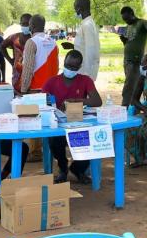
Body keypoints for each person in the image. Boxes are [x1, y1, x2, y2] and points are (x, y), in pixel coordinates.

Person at [42, 50, 102, 184]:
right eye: (68, 66)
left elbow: (97, 101)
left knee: (92, 140)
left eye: (74, 67)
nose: (70, 69)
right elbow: (41, 101)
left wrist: (76, 100)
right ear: (64, 63)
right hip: (58, 125)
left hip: (78, 123)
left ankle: (77, 169)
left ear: (79, 67)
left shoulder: (85, 80)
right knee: (54, 141)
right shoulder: (52, 81)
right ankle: (63, 168)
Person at [119, 6, 147, 105]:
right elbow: (132, 42)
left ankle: (125, 108)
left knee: (129, 87)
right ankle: (133, 109)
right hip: (127, 61)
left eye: (127, 18)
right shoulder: (129, 26)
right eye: (124, 20)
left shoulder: (142, 23)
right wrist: (125, 42)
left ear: (132, 14)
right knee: (132, 86)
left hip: (135, 62)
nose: (126, 21)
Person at [61, 0, 101, 80]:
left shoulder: (87, 25)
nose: (75, 11)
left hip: (85, 70)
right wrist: (73, 46)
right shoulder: (88, 23)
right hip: (83, 68)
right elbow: (85, 45)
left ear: (79, 9)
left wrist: (86, 75)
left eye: (75, 9)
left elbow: (90, 50)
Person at [18, 14, 59, 93]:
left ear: (32, 26)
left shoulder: (32, 42)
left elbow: (28, 68)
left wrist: (23, 90)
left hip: (36, 89)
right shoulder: (53, 42)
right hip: (52, 88)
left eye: (29, 24)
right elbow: (56, 65)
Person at [2, 13, 33, 86]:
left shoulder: (34, 39)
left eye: (28, 24)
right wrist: (10, 60)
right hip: (17, 73)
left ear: (32, 24)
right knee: (17, 95)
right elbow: (2, 46)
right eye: (23, 24)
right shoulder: (14, 37)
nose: (26, 26)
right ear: (20, 24)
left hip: (31, 72)